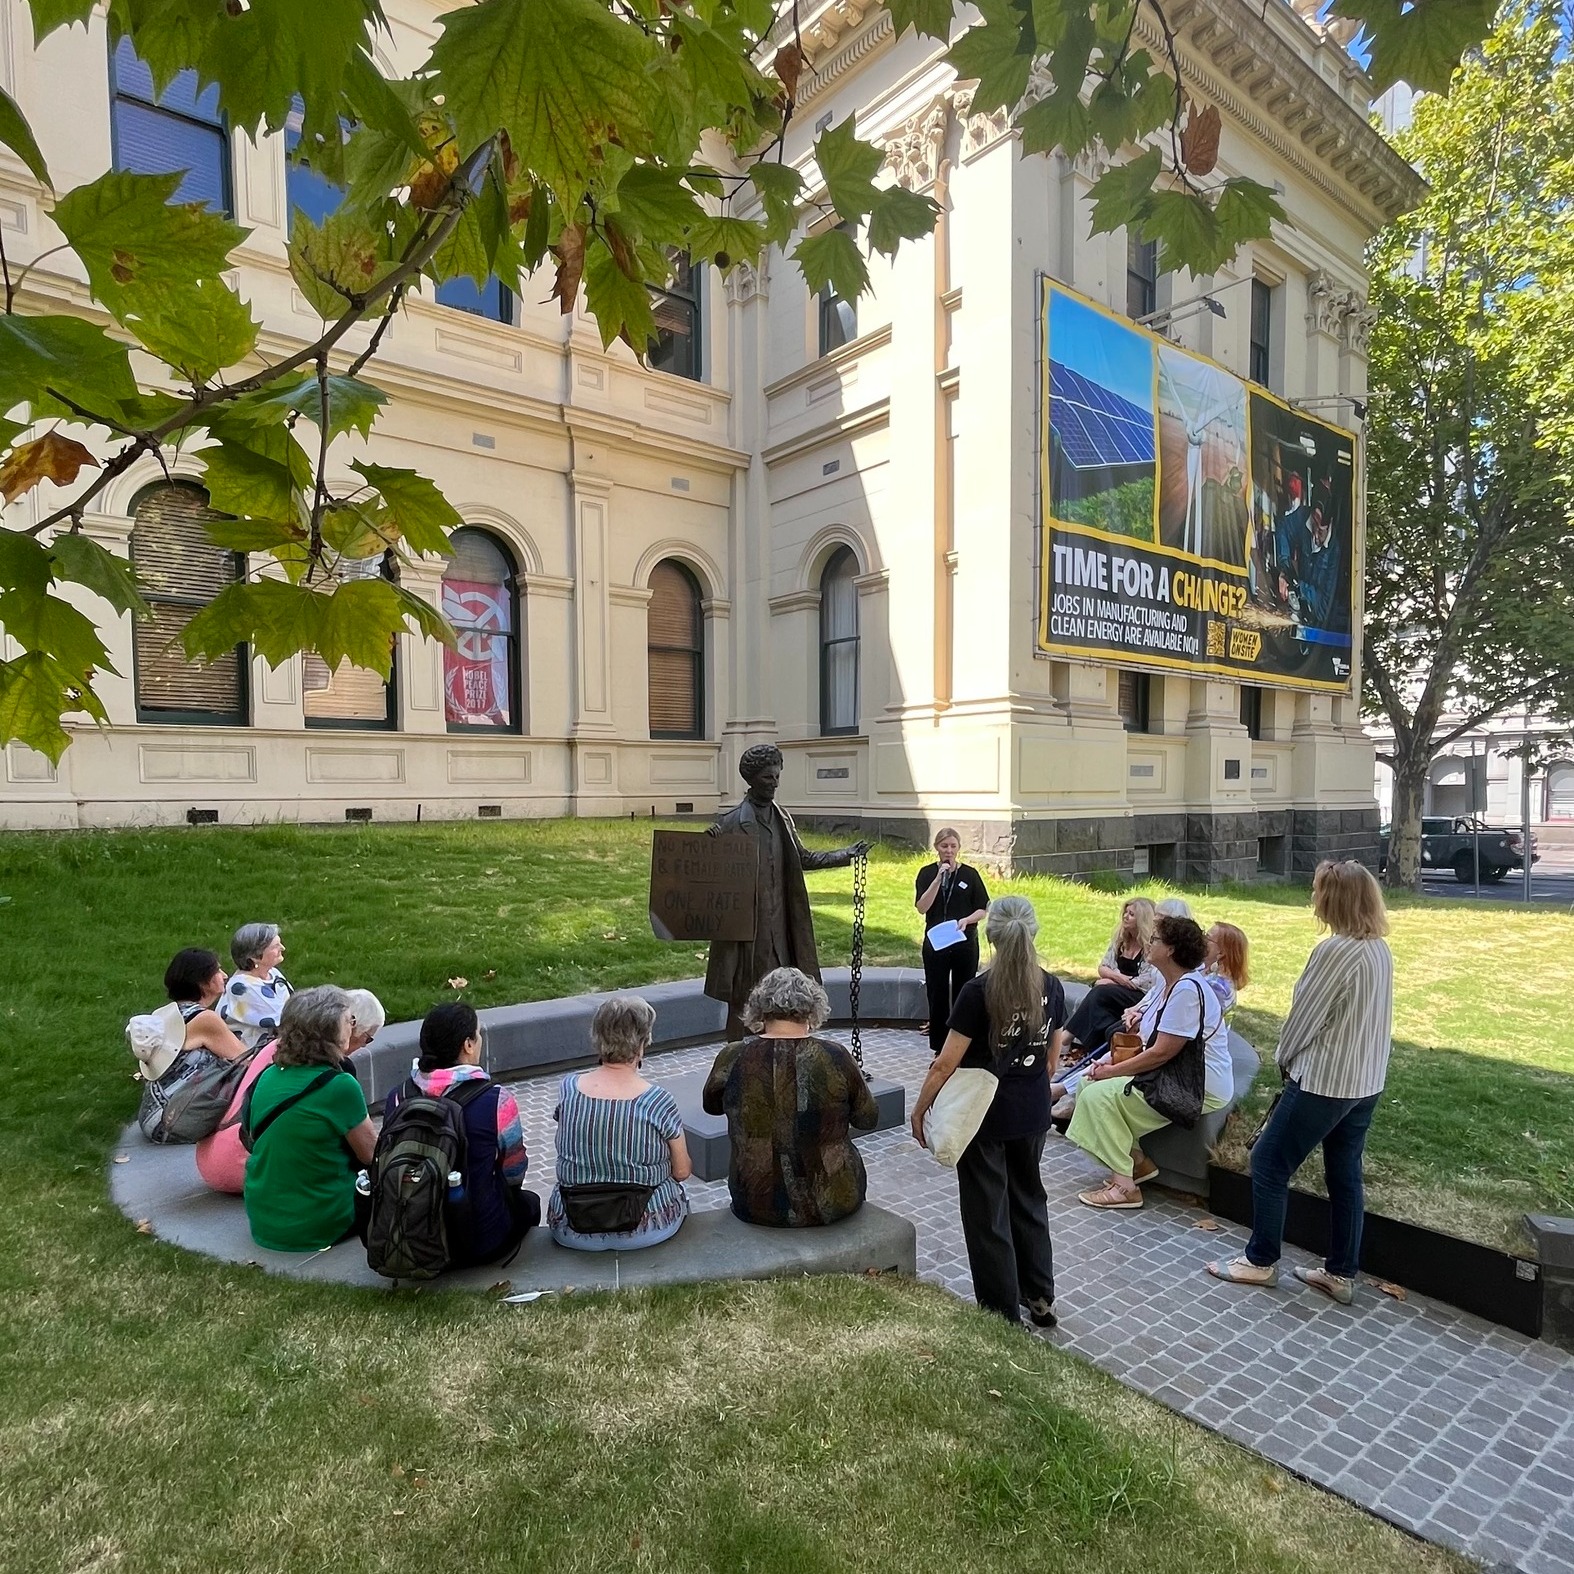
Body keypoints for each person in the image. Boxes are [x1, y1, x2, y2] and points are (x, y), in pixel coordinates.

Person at [1207, 861, 1393, 1305]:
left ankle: (1260, 1260)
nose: (1313, 899)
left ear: (1334, 899)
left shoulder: (1334, 951)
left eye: (1317, 892)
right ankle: (1341, 1272)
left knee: (1270, 1161)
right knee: (1345, 1173)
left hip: (1325, 1081)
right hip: (1366, 1081)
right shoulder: (1378, 949)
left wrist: (1285, 1060)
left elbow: (1304, 1020)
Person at [910, 896, 1066, 1328]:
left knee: (987, 1212)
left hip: (983, 1117)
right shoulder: (1049, 985)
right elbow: (1054, 1057)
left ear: (991, 936)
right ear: (1032, 933)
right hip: (1033, 1110)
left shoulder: (979, 992)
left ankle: (999, 1310)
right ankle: (1040, 1295)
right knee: (1030, 1199)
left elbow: (946, 1061)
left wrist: (920, 1109)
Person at [703, 744, 869, 1042]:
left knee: (785, 999)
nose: (775, 783)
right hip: (747, 935)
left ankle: (784, 1053)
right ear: (752, 779)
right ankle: (735, 1062)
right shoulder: (730, 823)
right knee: (743, 1002)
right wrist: (708, 847)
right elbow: (706, 881)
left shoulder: (783, 818)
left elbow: (803, 858)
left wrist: (846, 854)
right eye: (768, 777)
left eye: (777, 776)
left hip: (782, 927)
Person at [1066, 914, 1228, 1210]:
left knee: (1098, 1097)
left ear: (1170, 950)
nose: (1148, 943)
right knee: (1087, 1084)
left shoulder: (1187, 991)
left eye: (1154, 939)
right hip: (1173, 1075)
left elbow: (1161, 1052)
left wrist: (1113, 1072)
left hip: (1197, 1087)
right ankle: (1136, 1163)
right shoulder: (1169, 985)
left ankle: (1124, 1187)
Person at [702, 967, 878, 1227]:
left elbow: (712, 1106)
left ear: (760, 1010)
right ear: (812, 1009)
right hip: (833, 1199)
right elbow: (867, 1118)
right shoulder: (835, 1056)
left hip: (755, 1201)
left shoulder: (733, 1056)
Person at [382, 1001, 539, 1265]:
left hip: (412, 1238)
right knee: (530, 1203)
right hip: (478, 1243)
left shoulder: (397, 1097)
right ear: (467, 1044)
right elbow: (514, 1172)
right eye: (477, 1035)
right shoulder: (496, 1100)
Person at [196, 988, 386, 1195]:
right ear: (345, 1027)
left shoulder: (272, 1068)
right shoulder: (338, 1081)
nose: (362, 1044)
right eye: (367, 1038)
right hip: (245, 1166)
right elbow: (367, 1152)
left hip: (222, 1161)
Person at [548, 996, 692, 1251]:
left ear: (597, 1037)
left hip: (572, 1226)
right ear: (643, 1042)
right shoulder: (657, 1100)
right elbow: (681, 1172)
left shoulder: (568, 1089)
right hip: (646, 1227)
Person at [243, 985, 377, 1252]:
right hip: (316, 1224)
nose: (353, 1026)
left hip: (264, 1219)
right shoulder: (339, 1086)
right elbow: (373, 1154)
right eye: (349, 1020)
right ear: (329, 1034)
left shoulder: (268, 1076)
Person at [130, 948, 250, 1137]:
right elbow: (247, 1060)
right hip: (175, 1123)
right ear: (202, 982)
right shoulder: (205, 1019)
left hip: (153, 1115)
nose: (225, 975)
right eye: (217, 971)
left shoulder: (168, 1013)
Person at [914, 828, 991, 1055]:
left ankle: (962, 1043)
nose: (948, 851)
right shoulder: (927, 873)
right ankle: (939, 1045)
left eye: (952, 846)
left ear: (958, 849)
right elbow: (921, 907)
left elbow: (983, 907)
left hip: (963, 941)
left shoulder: (969, 875)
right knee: (937, 992)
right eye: (944, 846)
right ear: (937, 848)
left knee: (963, 990)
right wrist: (938, 879)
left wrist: (967, 920)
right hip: (937, 942)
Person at [1061, 897, 1160, 1058]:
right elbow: (1103, 967)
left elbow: (1144, 981)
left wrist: (1113, 981)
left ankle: (1066, 1037)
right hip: (1115, 991)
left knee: (1100, 992)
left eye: (1131, 914)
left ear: (1142, 919)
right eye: (1125, 912)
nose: (1125, 916)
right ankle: (1098, 1052)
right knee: (1102, 1009)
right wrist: (1115, 978)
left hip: (1139, 996)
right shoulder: (1121, 941)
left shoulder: (1149, 947)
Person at [220, 922, 293, 1051]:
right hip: (252, 1055)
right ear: (255, 957)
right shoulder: (242, 987)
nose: (282, 948)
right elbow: (285, 1018)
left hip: (276, 1045)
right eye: (275, 946)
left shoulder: (272, 973)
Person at [1203, 922, 1251, 1017]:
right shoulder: (1221, 977)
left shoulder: (1215, 986)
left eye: (1207, 938)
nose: (1202, 940)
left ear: (1221, 953)